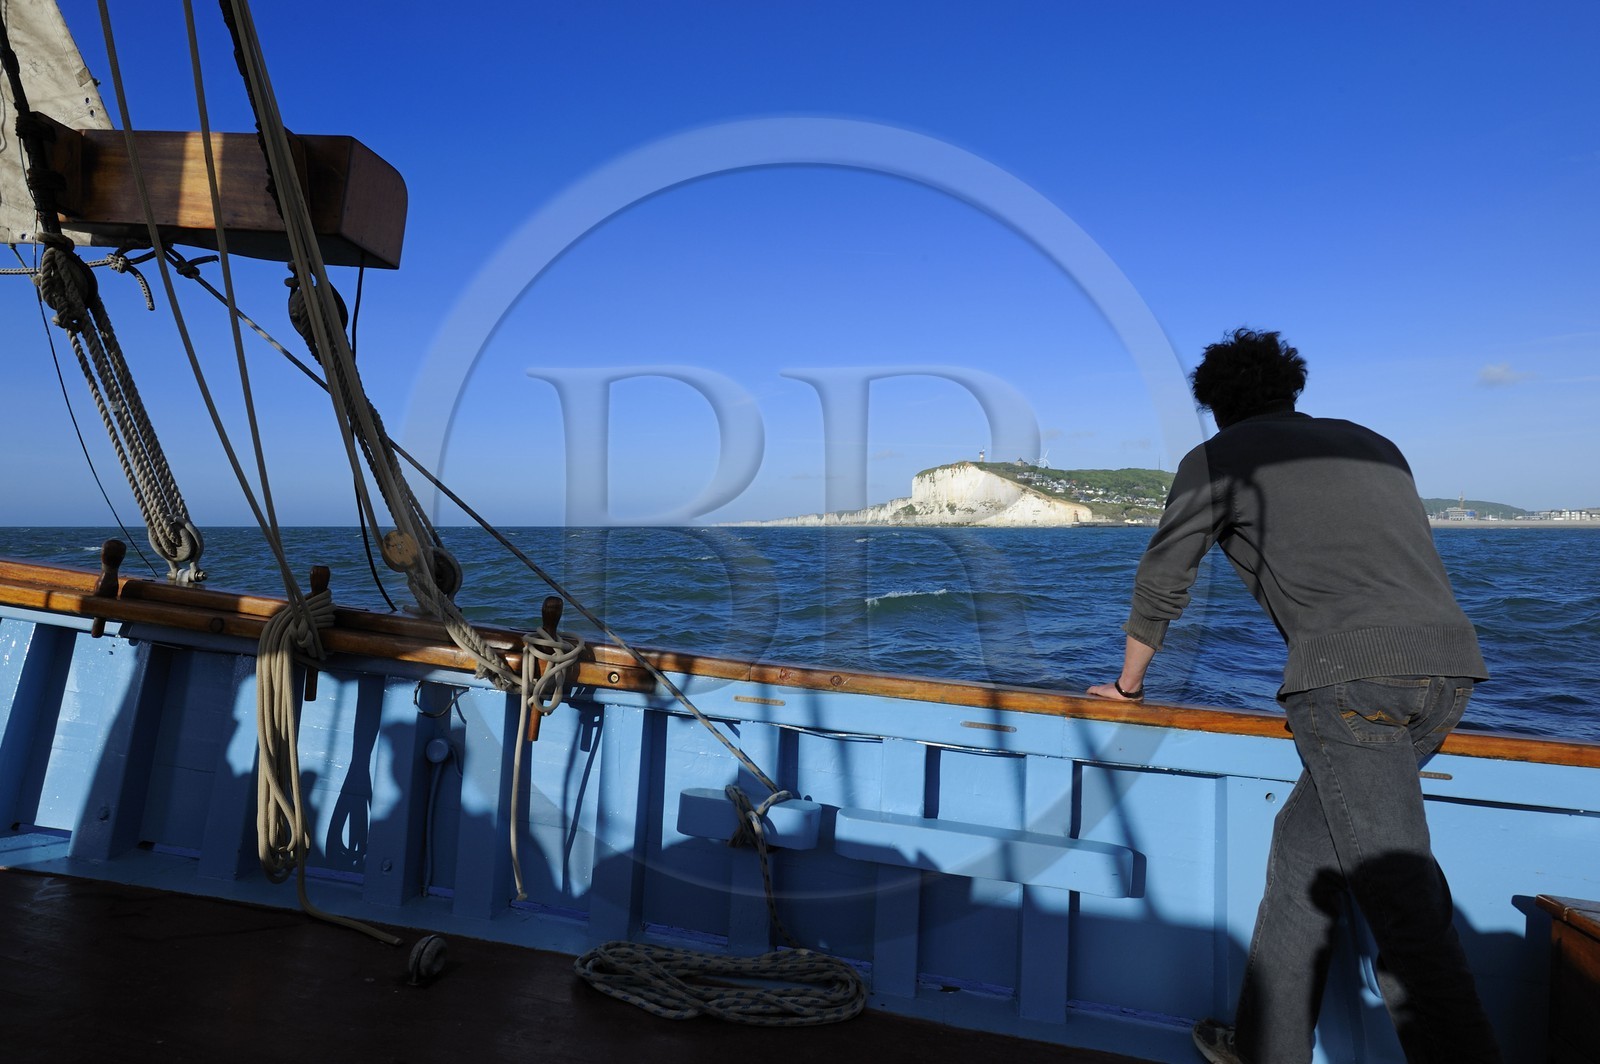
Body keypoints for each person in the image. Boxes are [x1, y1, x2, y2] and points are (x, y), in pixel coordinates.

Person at [1087, 329, 1500, 1064]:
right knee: (1302, 859)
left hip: (1349, 682)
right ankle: (1262, 1046)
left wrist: (1127, 686)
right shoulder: (1375, 444)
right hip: (1451, 670)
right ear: (1292, 388)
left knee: (1404, 908)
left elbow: (1162, 582)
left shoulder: (1220, 457)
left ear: (1214, 405)